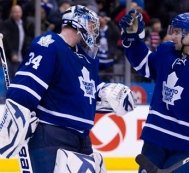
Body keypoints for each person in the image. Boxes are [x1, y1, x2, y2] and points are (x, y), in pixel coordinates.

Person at [0, 5, 136, 173]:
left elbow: (92, 93)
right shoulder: (50, 44)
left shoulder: (87, 58)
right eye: (92, 25)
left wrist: (113, 95)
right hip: (52, 136)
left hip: (83, 141)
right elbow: (25, 88)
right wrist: (13, 125)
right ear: (78, 23)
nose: (94, 30)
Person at [119, 11, 189, 173]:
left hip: (185, 145)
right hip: (155, 138)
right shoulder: (166, 52)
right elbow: (144, 64)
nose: (172, 36)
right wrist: (133, 40)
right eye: (172, 31)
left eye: (177, 32)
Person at [1, 5, 27, 79]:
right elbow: (6, 39)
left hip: (20, 55)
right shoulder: (7, 24)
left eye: (19, 12)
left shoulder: (22, 23)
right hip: (10, 56)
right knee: (9, 78)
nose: (17, 14)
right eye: (15, 12)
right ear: (11, 13)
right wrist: (12, 52)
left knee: (18, 78)